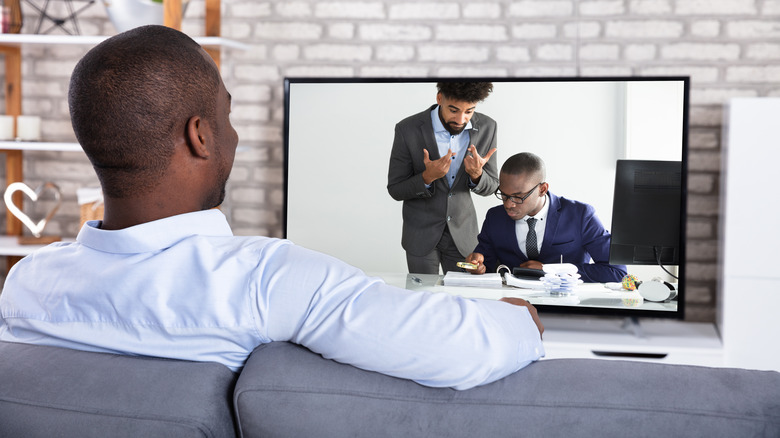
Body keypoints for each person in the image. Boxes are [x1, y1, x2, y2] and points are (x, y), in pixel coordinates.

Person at [0, 26, 544, 391]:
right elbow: (463, 349)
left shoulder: (26, 283)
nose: (235, 136)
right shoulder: (268, 278)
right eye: (227, 117)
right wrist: (517, 317)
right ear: (200, 137)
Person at [387, 82, 498, 275]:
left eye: (469, 111)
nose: (461, 119)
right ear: (439, 99)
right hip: (420, 235)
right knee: (424, 299)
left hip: (463, 236)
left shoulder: (488, 127)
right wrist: (426, 177)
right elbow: (395, 189)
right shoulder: (407, 129)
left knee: (461, 299)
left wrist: (477, 175)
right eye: (453, 110)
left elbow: (492, 186)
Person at [465, 152, 627, 283]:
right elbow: (483, 266)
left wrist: (552, 271)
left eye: (518, 196)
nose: (509, 204)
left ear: (542, 189)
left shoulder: (580, 215)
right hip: (511, 306)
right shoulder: (495, 217)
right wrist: (476, 266)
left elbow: (617, 272)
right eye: (504, 195)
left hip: (566, 309)